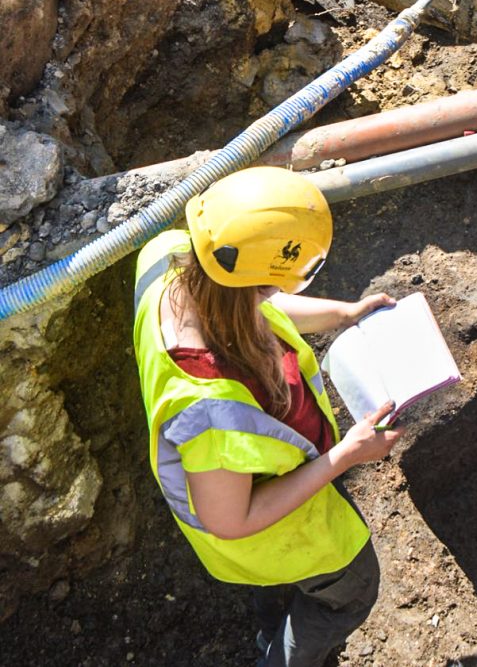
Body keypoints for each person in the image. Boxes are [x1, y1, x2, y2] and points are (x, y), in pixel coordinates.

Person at [132, 166, 402, 666]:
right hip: (268, 530)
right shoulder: (213, 412)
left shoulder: (170, 258)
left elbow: (257, 306)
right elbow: (232, 520)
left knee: (278, 589)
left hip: (261, 487)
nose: (275, 298)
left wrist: (344, 313)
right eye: (271, 288)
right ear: (255, 288)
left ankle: (270, 621)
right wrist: (345, 456)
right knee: (352, 592)